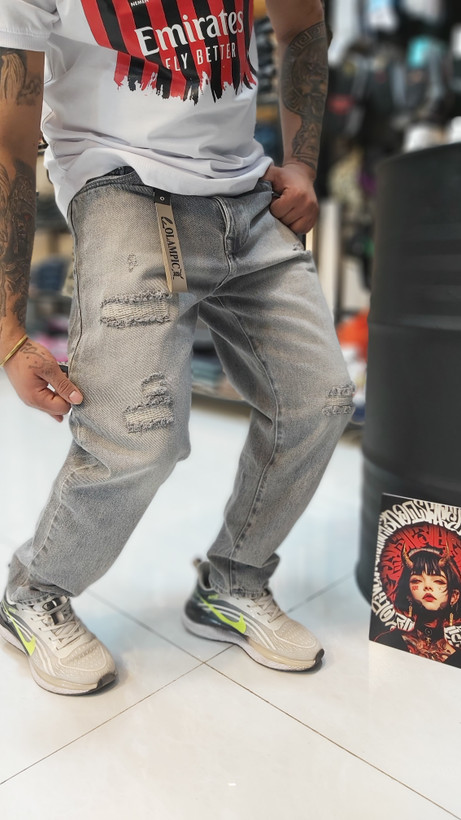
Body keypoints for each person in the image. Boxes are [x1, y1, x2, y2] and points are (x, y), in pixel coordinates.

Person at [0, 0, 353, 695]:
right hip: (122, 187)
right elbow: (10, 143)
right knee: (139, 437)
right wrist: (9, 333)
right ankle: (33, 592)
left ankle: (232, 582)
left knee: (319, 401)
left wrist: (303, 163)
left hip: (247, 190)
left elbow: (302, 25)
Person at [374, 546, 461, 666]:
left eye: (438, 581)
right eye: (416, 580)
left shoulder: (457, 658)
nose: (427, 586)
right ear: (409, 595)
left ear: (454, 596)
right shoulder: (389, 641)